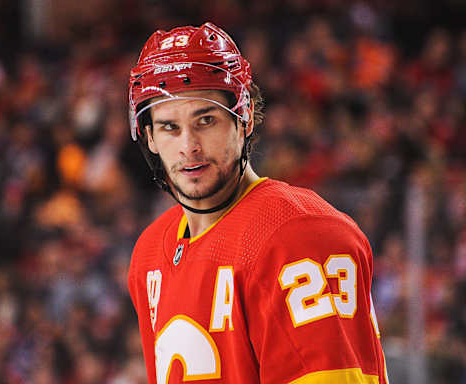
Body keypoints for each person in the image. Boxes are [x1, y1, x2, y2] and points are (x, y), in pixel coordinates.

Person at [127, 22, 389, 384]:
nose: (189, 146)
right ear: (149, 137)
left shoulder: (301, 236)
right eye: (170, 127)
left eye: (206, 120)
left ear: (244, 118)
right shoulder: (149, 253)